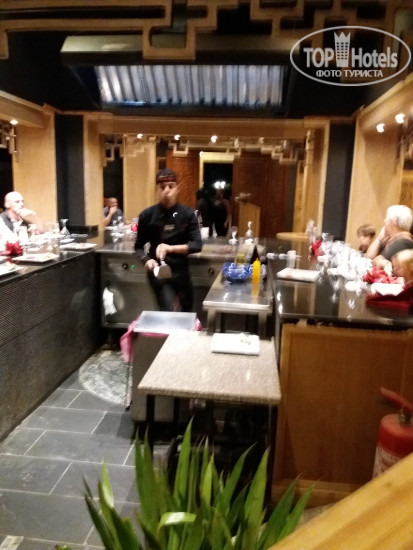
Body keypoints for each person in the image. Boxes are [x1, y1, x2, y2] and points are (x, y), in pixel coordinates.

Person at [135, 168, 202, 312]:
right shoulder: (147, 215)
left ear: (177, 189)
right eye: (162, 187)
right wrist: (146, 260)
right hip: (159, 272)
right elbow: (138, 247)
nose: (166, 191)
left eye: (171, 186)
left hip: (181, 271)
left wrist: (169, 248)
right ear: (156, 189)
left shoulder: (188, 214)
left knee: (186, 311)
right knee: (168, 312)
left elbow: (197, 244)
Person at [366, 205, 413, 272]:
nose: (384, 221)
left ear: (393, 222)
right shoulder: (392, 239)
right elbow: (368, 257)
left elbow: (372, 262)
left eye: (386, 218)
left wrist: (377, 261)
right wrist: (379, 238)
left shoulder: (403, 242)